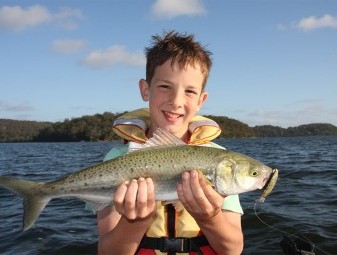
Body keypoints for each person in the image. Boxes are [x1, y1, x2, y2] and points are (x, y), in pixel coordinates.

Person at [95, 31, 244, 255]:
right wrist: (135, 221)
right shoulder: (117, 158)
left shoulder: (220, 160)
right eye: (165, 86)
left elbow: (232, 250)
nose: (176, 102)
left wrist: (210, 217)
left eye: (190, 91)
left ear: (201, 100)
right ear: (146, 90)